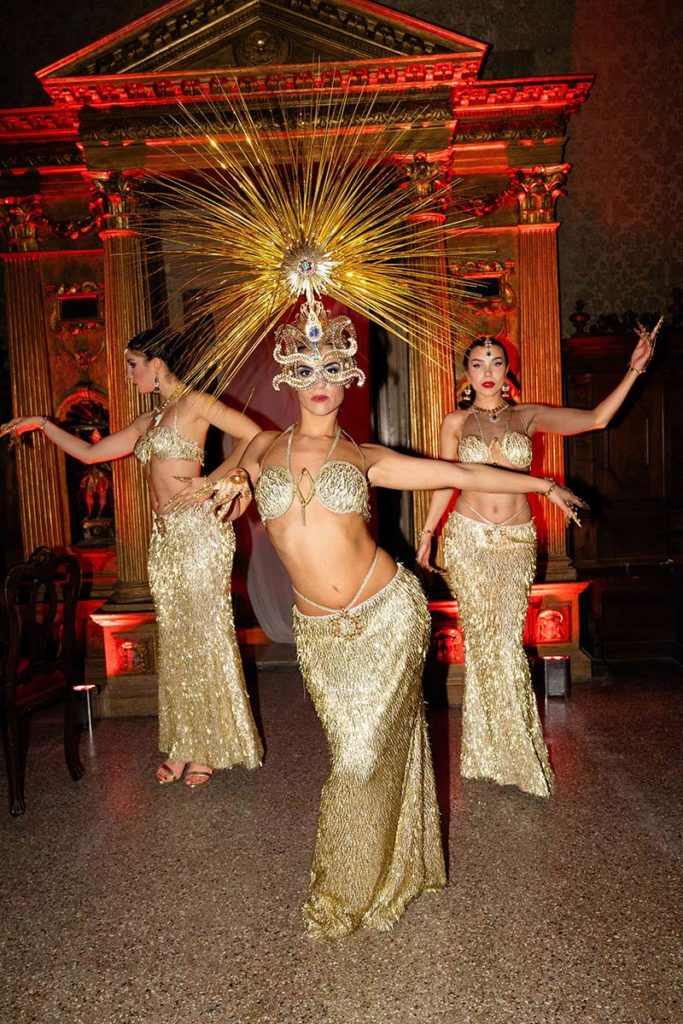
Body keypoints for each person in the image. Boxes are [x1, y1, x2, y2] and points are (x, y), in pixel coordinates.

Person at [190, 300, 585, 937]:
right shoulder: (262, 445)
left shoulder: (365, 453)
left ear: (349, 378)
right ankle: (401, 865)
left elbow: (457, 469)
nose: (321, 380)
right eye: (308, 367)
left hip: (389, 617)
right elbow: (231, 473)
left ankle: (340, 894)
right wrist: (230, 484)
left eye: (333, 367)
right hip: (321, 635)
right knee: (361, 752)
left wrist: (543, 488)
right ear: (290, 377)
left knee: (359, 759)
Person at [1, 326, 263, 788]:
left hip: (201, 534)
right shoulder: (149, 421)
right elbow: (90, 451)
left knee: (204, 636)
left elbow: (258, 437)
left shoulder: (196, 404)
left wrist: (213, 481)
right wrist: (43, 424)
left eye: (132, 364)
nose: (128, 374)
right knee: (178, 640)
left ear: (157, 365)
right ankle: (183, 744)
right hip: (164, 541)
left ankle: (209, 747)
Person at [416, 327, 657, 798]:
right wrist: (428, 531)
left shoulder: (528, 416)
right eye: (479, 364)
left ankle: (506, 753)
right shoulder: (453, 422)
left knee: (504, 641)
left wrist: (634, 369)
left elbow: (597, 418)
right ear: (466, 373)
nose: (488, 372)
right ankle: (496, 754)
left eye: (497, 363)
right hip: (467, 539)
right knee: (487, 644)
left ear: (509, 373)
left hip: (516, 542)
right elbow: (446, 479)